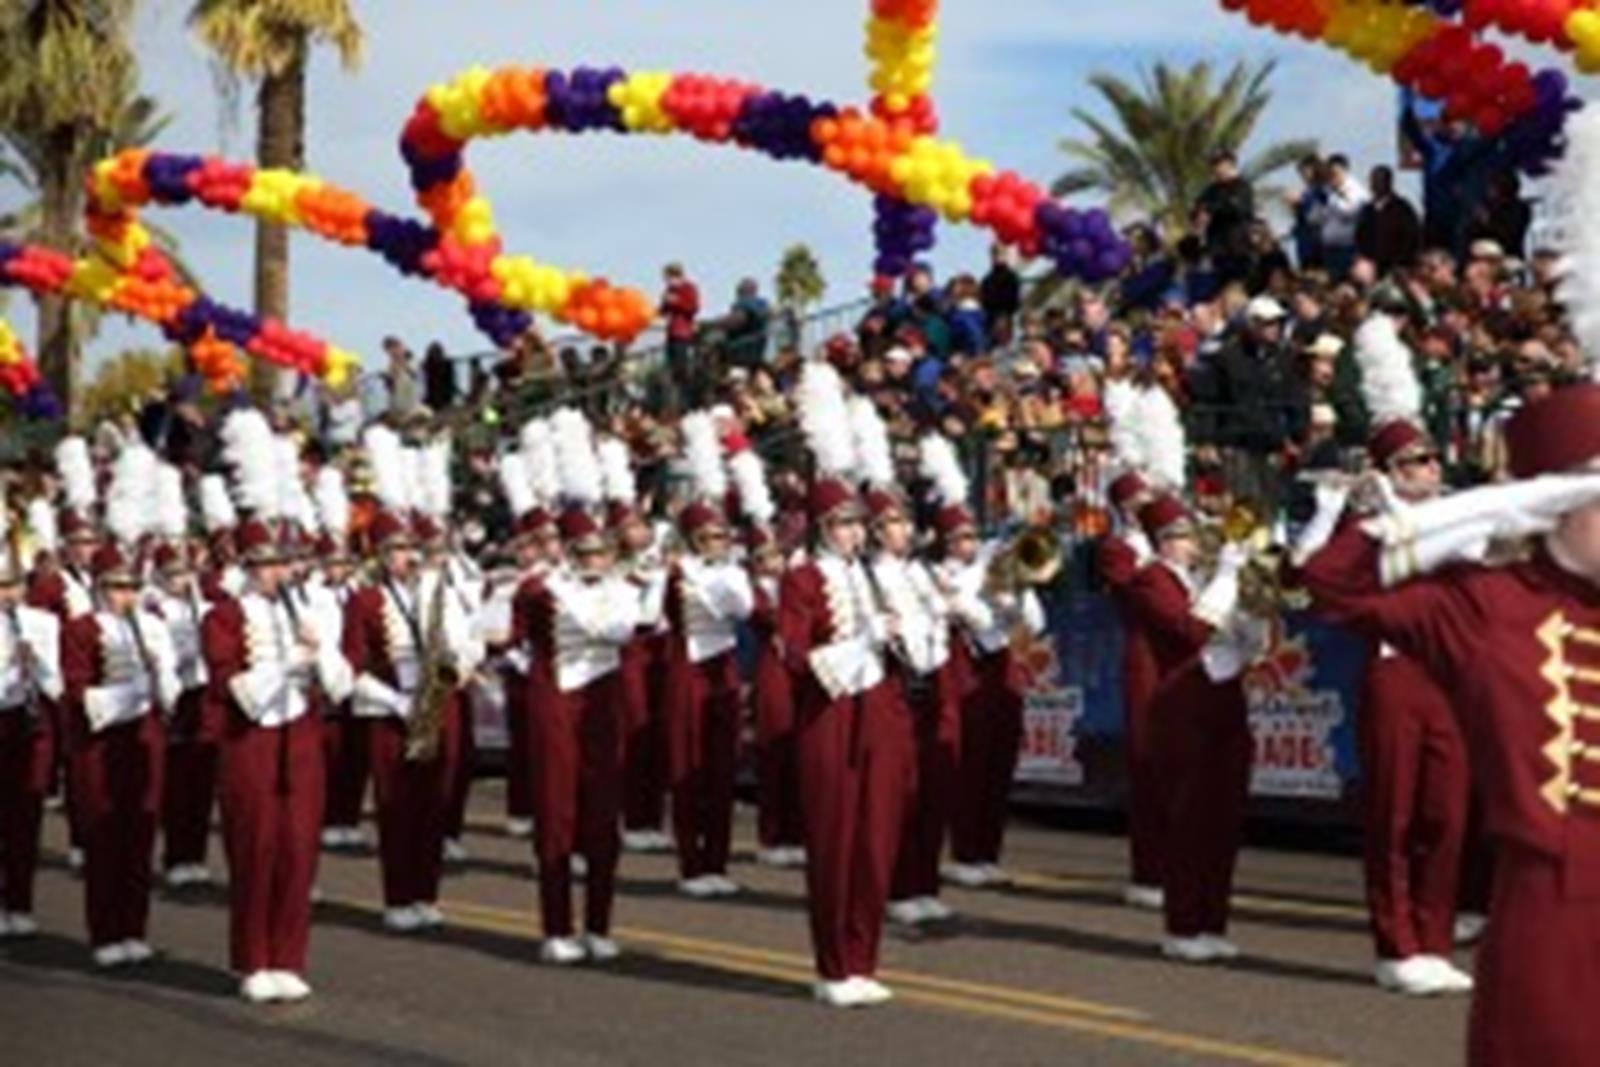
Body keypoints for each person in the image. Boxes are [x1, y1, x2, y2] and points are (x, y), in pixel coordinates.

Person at [1297, 381, 1600, 1066]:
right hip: (1552, 926)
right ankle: (1402, 941)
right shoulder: (1489, 605)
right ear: (1557, 503)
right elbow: (1331, 583)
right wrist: (1498, 503)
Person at [202, 518, 353, 1004]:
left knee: (298, 849)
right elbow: (234, 689)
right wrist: (289, 663)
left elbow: (340, 685)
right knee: (256, 846)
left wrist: (321, 653)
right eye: (267, 564)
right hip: (252, 741)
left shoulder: (310, 610)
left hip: (302, 737)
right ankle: (252, 958)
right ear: (248, 568)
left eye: (282, 563)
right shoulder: (223, 616)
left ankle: (289, 957)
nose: (278, 573)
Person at [780, 475, 908, 1007]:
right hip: (829, 710)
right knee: (834, 838)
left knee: (877, 837)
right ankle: (833, 965)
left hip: (877, 704)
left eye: (859, 524)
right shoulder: (803, 579)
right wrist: (863, 640)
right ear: (822, 528)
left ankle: (864, 959)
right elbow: (794, 654)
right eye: (844, 524)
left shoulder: (877, 576)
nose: (855, 534)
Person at [1124, 494, 1259, 963]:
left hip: (1226, 697)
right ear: (1162, 543)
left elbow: (1245, 641)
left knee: (1224, 817)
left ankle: (1212, 921)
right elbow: (1190, 633)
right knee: (1189, 818)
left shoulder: (1203, 579)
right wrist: (1224, 575)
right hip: (1183, 708)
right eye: (1182, 535)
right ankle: (1183, 925)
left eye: (1192, 533)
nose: (1193, 542)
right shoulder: (1149, 580)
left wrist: (1251, 615)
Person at [513, 503, 639, 964]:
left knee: (604, 815)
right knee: (555, 811)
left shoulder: (621, 591)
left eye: (601, 552)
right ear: (567, 552)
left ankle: (600, 924)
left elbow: (620, 630)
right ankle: (556, 925)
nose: (595, 561)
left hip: (603, 703)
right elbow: (505, 634)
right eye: (584, 553)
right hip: (556, 700)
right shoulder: (538, 590)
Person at [342, 507, 472, 933]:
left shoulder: (439, 592)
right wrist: (397, 702)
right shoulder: (366, 601)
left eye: (411, 547)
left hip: (436, 705)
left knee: (434, 804)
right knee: (397, 807)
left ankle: (426, 894)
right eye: (397, 549)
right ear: (380, 556)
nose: (408, 557)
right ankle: (398, 897)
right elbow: (352, 667)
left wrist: (460, 666)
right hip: (392, 712)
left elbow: (467, 642)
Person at [61, 538, 180, 967]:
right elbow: (77, 691)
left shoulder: (152, 625)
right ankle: (105, 931)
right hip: (101, 743)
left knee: (141, 834)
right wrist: (132, 691)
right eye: (115, 587)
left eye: (131, 586)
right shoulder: (81, 628)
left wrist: (162, 679)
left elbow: (170, 689)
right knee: (105, 837)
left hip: (145, 738)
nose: (125, 596)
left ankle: (135, 927)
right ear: (98, 588)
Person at [663, 495, 755, 898]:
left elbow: (746, 609)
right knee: (687, 765)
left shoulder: (734, 573)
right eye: (711, 535)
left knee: (721, 768)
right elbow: (649, 616)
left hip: (722, 667)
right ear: (694, 538)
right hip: (687, 667)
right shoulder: (674, 572)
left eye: (723, 534)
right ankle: (691, 863)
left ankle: (717, 860)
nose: (720, 541)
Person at [1097, 471, 1164, 909]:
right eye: (1136, 501)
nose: (1144, 505)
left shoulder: (1164, 542)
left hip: (1182, 654)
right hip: (1146, 654)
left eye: (1148, 498)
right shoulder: (1117, 549)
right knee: (1147, 761)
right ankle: (1148, 871)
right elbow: (1133, 592)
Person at [0, 531, 63, 940]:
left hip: (31, 726)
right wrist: (9, 666)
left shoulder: (43, 623)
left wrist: (36, 666)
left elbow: (57, 684)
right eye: (2, 586)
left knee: (26, 817)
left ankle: (20, 903)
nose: (9, 594)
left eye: (15, 585)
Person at [1194, 150, 1256, 287]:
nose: (1218, 169)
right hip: (1218, 252)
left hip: (1239, 249)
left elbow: (1238, 209)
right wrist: (1199, 216)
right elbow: (1197, 208)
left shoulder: (1242, 186)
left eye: (1221, 164)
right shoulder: (1210, 191)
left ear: (1230, 165)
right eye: (1215, 165)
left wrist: (1211, 211)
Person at [1355, 165, 1423, 277]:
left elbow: (1412, 237)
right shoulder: (1368, 210)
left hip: (1397, 267)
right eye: (1373, 181)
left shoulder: (1402, 208)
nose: (1374, 185)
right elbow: (1360, 235)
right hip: (1372, 267)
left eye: (1379, 181)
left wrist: (1403, 262)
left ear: (1388, 183)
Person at [1320, 155, 1369, 281]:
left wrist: (1340, 195)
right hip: (1330, 249)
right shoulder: (1330, 192)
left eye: (1335, 173)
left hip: (1348, 249)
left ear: (1345, 171)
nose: (1332, 177)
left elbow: (1350, 212)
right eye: (1330, 173)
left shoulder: (1355, 191)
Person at [661, 263, 702, 408]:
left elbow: (694, 307)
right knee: (671, 368)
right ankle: (675, 398)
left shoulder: (689, 288)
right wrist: (664, 303)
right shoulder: (669, 290)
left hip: (683, 332)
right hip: (671, 331)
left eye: (668, 278)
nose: (667, 282)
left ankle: (687, 398)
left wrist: (677, 301)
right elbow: (663, 311)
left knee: (681, 367)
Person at [423, 342, 456, 413]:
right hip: (434, 400)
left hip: (442, 399)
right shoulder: (428, 366)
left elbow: (450, 384)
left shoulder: (447, 365)